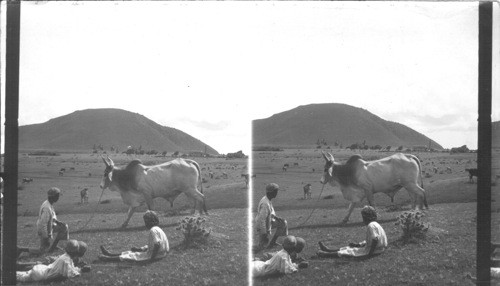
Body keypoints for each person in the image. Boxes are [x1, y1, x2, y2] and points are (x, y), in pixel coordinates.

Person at [316, 206, 388, 258]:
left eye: (363, 217)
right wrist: (358, 244)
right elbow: (373, 239)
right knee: (349, 248)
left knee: (349, 252)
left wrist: (369, 254)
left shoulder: (371, 226)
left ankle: (325, 254)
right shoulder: (376, 224)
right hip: (379, 249)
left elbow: (375, 239)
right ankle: (328, 250)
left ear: (366, 217)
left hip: (374, 250)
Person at [99, 210, 169, 262]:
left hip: (155, 255)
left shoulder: (153, 230)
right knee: (131, 252)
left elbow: (157, 244)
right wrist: (140, 249)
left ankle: (108, 258)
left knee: (132, 255)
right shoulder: (159, 229)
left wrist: (151, 259)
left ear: (152, 222)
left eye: (147, 222)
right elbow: (155, 244)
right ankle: (110, 254)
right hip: (161, 254)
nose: (146, 224)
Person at [17, 187, 69, 257]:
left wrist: (58, 222)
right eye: (57, 196)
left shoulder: (50, 203)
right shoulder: (46, 208)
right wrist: (46, 237)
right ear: (53, 197)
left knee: (64, 227)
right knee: (42, 251)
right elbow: (43, 224)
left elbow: (51, 217)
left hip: (50, 226)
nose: (58, 198)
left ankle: (53, 246)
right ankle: (21, 249)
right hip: (44, 229)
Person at [16, 239, 87, 282]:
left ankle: (15, 267)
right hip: (40, 275)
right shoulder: (66, 261)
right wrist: (81, 270)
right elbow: (68, 274)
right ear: (76, 252)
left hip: (41, 270)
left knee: (21, 274)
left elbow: (70, 269)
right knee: (18, 277)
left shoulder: (66, 256)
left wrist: (79, 268)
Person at [254, 183, 288, 251]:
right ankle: (261, 245)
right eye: (276, 191)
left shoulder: (268, 199)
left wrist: (276, 217)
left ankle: (273, 242)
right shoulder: (265, 203)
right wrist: (264, 233)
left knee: (283, 222)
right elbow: (261, 220)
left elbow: (270, 212)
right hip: (262, 225)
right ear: (271, 192)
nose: (276, 193)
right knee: (262, 248)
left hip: (269, 221)